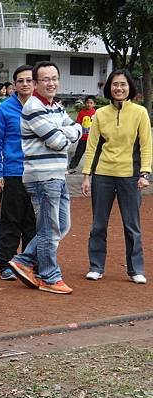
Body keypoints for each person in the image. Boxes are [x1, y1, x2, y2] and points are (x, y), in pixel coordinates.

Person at [8, 61, 82, 295]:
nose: (51, 83)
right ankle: (49, 275)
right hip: (42, 177)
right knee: (49, 229)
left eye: (54, 78)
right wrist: (66, 133)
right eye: (45, 79)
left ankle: (25, 260)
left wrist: (65, 132)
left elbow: (78, 129)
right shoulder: (33, 107)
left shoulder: (56, 106)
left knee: (60, 225)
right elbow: (59, 141)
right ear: (37, 83)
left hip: (57, 174)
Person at [80, 69, 151, 284]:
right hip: (103, 175)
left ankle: (135, 269)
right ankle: (96, 266)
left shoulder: (140, 113)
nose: (119, 88)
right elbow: (91, 147)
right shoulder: (100, 114)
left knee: (132, 225)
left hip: (130, 176)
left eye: (123, 84)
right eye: (115, 84)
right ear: (109, 88)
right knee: (98, 224)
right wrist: (86, 176)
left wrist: (145, 173)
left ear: (130, 87)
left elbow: (146, 145)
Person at [0, 65, 36, 281]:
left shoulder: (41, 107)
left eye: (29, 80)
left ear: (35, 83)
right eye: (20, 81)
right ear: (14, 85)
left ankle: (28, 262)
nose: (25, 84)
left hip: (37, 174)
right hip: (13, 173)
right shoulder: (5, 108)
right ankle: (6, 264)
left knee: (34, 221)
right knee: (10, 221)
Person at [68, 95, 96, 173]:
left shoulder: (96, 113)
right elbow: (78, 123)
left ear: (94, 104)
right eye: (87, 103)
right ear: (84, 103)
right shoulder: (82, 112)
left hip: (92, 139)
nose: (89, 104)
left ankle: (91, 169)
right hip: (83, 138)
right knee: (79, 153)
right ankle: (72, 167)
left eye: (91, 103)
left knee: (91, 155)